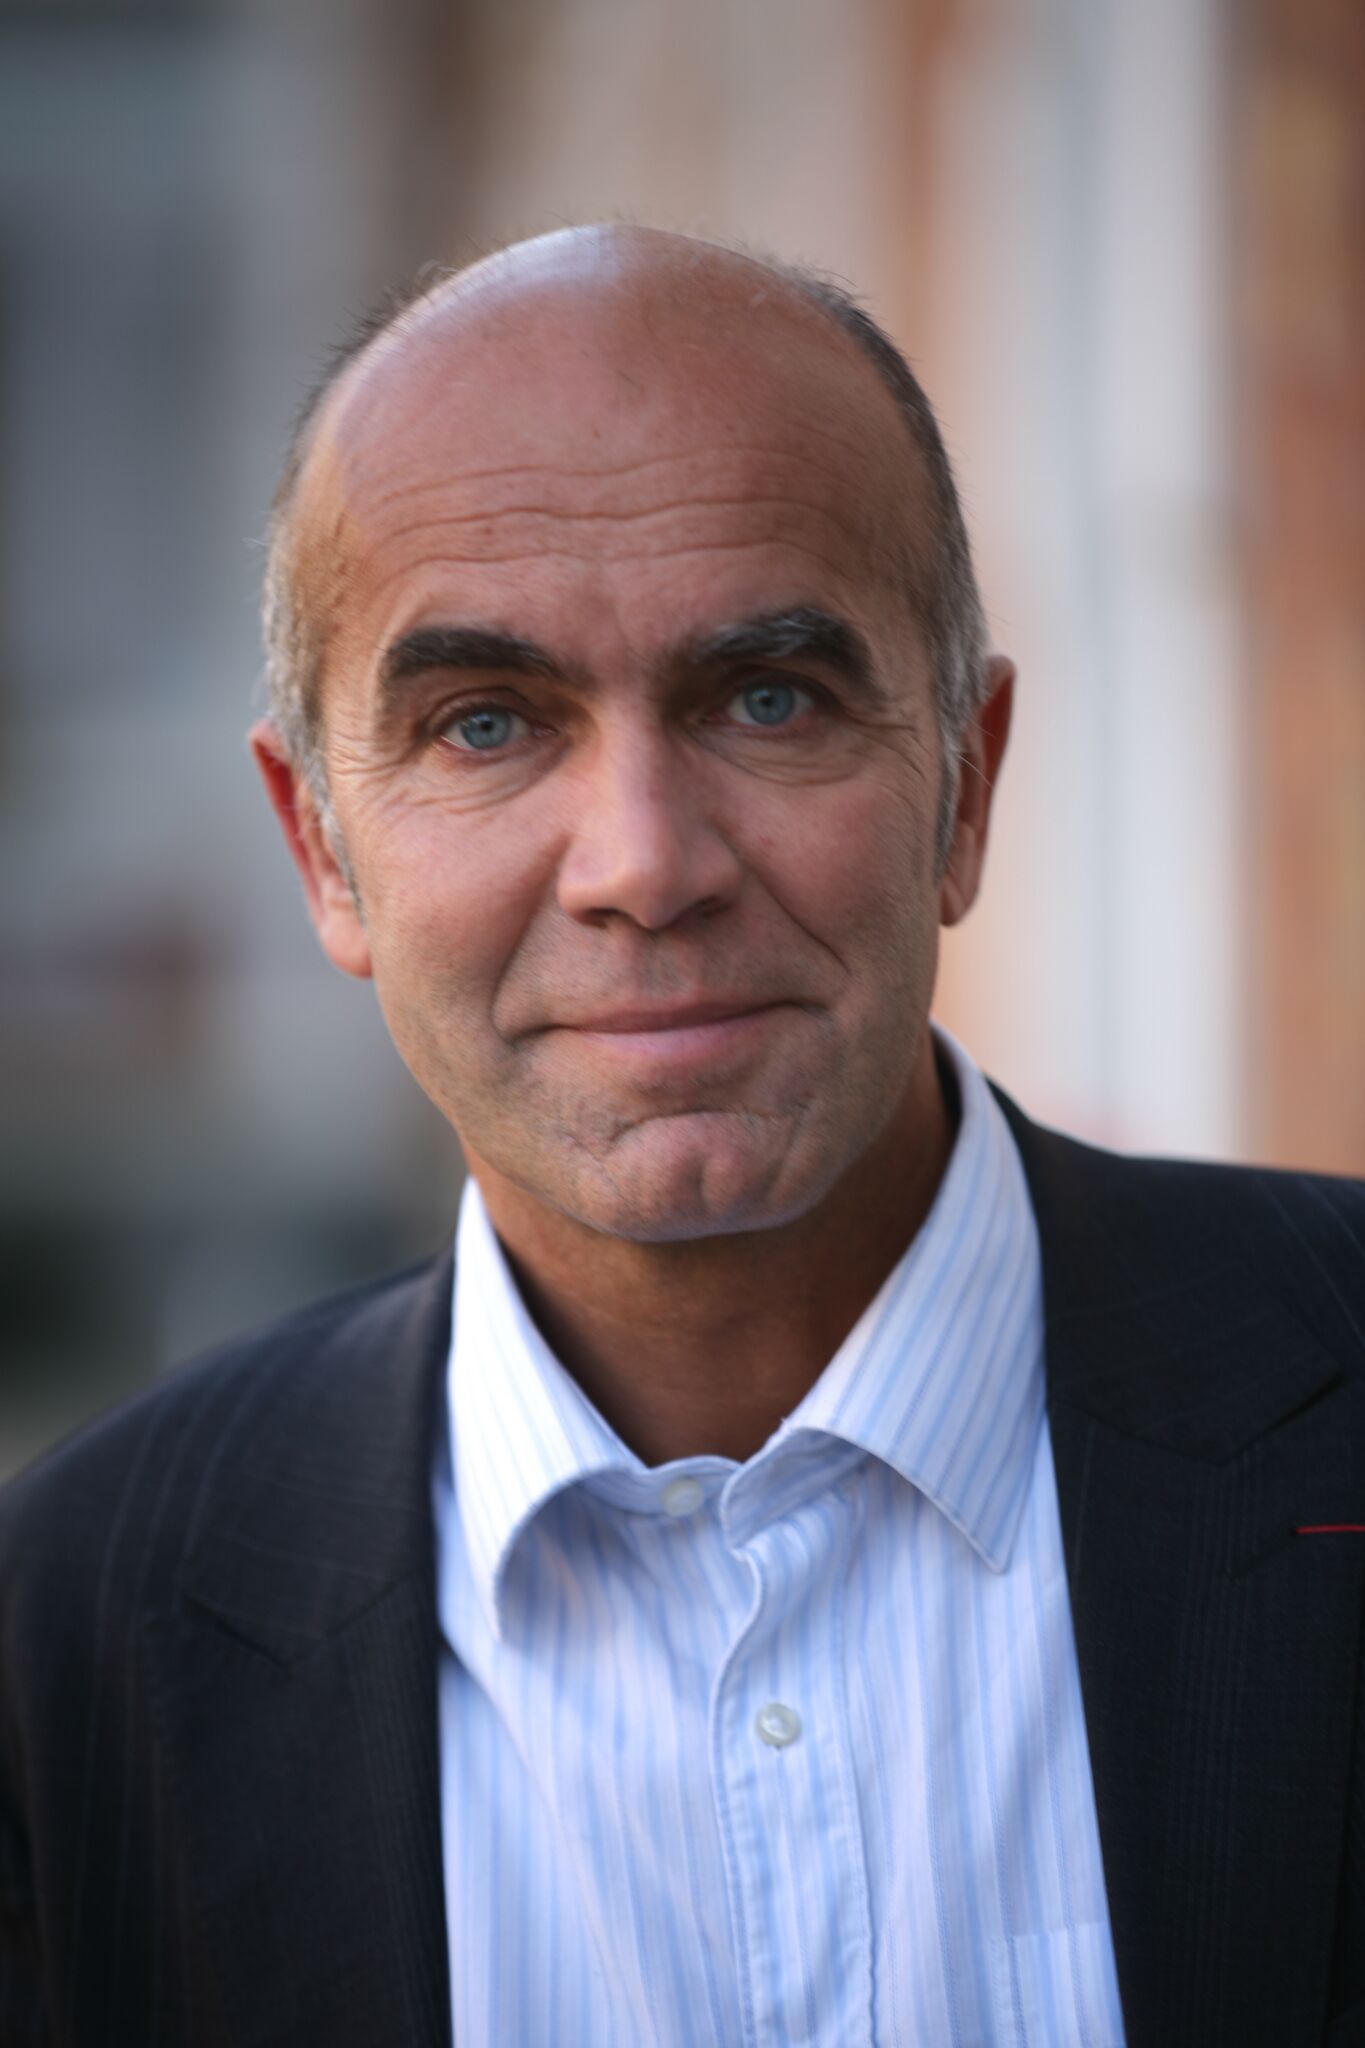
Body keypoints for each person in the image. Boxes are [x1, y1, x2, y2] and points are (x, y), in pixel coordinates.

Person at [0, 226, 1361, 2048]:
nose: (642, 863)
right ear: (321, 847)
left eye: (767, 697)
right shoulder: (65, 1644)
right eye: (486, 723)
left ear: (964, 785)